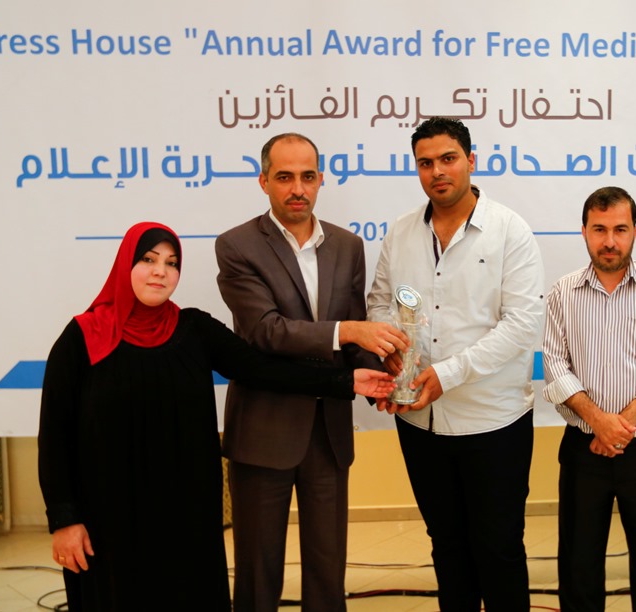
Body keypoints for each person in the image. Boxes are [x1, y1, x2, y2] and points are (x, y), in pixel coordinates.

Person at [38, 222, 393, 611]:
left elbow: (264, 371)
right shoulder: (83, 338)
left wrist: (346, 381)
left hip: (186, 516)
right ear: (125, 264)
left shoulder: (192, 329)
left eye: (171, 263)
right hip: (110, 517)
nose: (160, 272)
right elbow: (55, 436)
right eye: (148, 260)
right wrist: (64, 520)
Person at [215, 133, 408, 612]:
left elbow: (356, 334)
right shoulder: (237, 245)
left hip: (328, 431)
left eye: (307, 176)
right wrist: (351, 332)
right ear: (264, 181)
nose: (297, 188)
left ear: (322, 179)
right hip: (264, 431)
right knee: (258, 573)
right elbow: (266, 331)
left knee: (328, 571)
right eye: (284, 177)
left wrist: (382, 381)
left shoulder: (348, 245)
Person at [366, 117, 545, 610]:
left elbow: (522, 324)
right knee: (446, 544)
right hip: (419, 420)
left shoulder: (510, 231)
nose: (437, 171)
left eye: (448, 159)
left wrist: (447, 374)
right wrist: (393, 353)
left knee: (498, 547)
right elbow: (380, 302)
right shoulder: (401, 232)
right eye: (425, 163)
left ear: (471, 160)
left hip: (494, 420)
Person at [542, 186, 636, 612]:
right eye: (599, 229)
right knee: (579, 567)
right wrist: (599, 423)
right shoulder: (562, 292)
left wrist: (618, 427)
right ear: (584, 231)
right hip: (584, 449)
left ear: (635, 231)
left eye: (620, 229)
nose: (609, 240)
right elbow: (555, 365)